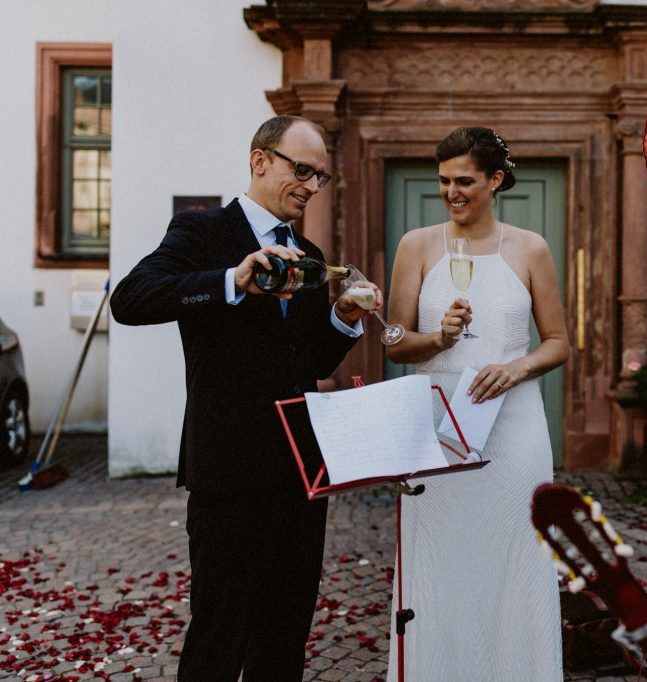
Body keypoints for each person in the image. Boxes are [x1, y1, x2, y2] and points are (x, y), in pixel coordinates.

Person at [110, 115, 382, 681]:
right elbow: (131, 300)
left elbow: (309, 363)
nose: (310, 186)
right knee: (219, 634)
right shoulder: (202, 232)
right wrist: (232, 280)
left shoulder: (308, 252)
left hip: (300, 474)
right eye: (301, 170)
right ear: (260, 160)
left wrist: (342, 317)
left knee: (284, 636)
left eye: (320, 177)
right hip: (229, 472)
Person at [383, 126, 569, 680]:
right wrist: (438, 339)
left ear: (495, 180)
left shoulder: (530, 248)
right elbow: (394, 342)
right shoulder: (417, 246)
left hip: (513, 428)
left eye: (464, 181)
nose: (451, 192)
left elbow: (558, 342)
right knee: (441, 561)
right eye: (444, 180)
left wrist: (516, 368)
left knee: (514, 554)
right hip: (439, 424)